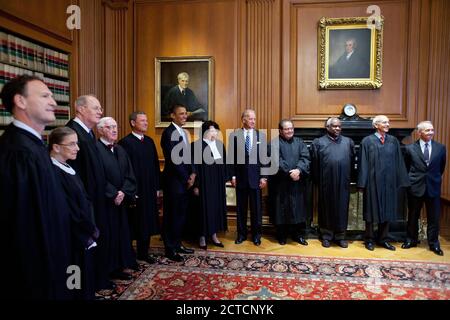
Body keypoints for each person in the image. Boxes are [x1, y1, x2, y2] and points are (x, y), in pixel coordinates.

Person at [0, 75, 72, 299]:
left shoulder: (33, 145)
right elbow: (23, 224)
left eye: (52, 95)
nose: (54, 102)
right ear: (20, 101)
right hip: (35, 269)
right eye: (44, 96)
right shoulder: (19, 152)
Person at [66, 95, 112, 290]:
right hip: (83, 203)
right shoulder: (72, 132)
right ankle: (83, 286)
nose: (100, 112)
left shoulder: (88, 133)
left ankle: (96, 280)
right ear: (81, 109)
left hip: (95, 199)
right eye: (96, 108)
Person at [49, 126, 99, 300]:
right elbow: (67, 208)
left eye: (77, 143)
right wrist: (85, 230)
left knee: (84, 270)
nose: (77, 148)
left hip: (82, 230)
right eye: (71, 144)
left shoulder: (67, 167)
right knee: (73, 272)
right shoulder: (53, 172)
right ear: (56, 147)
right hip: (71, 235)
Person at [357, 115, 410, 251]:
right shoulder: (367, 141)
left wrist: (401, 181)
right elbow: (363, 163)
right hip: (372, 183)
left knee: (387, 210)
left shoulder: (393, 141)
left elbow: (399, 162)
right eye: (384, 122)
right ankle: (369, 239)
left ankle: (383, 239)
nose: (387, 124)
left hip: (389, 182)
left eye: (388, 122)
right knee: (370, 212)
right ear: (376, 125)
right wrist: (362, 184)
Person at [97, 117, 138, 280]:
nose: (114, 130)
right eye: (109, 127)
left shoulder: (120, 150)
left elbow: (130, 174)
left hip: (121, 202)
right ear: (100, 130)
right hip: (106, 202)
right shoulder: (95, 150)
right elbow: (97, 177)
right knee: (108, 236)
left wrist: (123, 192)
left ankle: (119, 265)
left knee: (121, 234)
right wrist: (113, 193)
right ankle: (108, 269)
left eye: (115, 126)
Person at [118, 111, 161, 264]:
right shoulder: (125, 143)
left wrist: (157, 188)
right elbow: (123, 170)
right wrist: (130, 190)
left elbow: (156, 166)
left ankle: (144, 253)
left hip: (149, 190)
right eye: (142, 120)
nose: (146, 123)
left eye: (147, 120)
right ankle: (129, 254)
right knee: (133, 223)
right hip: (135, 191)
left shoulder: (149, 141)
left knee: (147, 222)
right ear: (133, 123)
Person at [402, 121, 446, 256]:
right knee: (413, 216)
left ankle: (434, 244)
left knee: (434, 218)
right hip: (415, 187)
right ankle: (411, 240)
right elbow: (406, 167)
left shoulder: (440, 148)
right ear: (419, 132)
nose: (431, 133)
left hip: (433, 187)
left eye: (432, 130)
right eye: (427, 130)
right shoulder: (410, 148)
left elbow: (441, 167)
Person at [311, 118, 355, 248]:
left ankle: (341, 236)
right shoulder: (319, 143)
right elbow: (314, 164)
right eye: (334, 126)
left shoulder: (348, 142)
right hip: (326, 183)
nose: (337, 129)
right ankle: (326, 235)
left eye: (339, 126)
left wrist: (349, 179)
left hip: (343, 182)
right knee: (326, 208)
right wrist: (318, 181)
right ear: (327, 127)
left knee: (342, 208)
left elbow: (352, 162)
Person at [160, 104, 196, 261]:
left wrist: (193, 173)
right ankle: (170, 249)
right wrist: (185, 178)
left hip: (185, 181)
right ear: (172, 116)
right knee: (172, 215)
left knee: (181, 215)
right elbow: (174, 160)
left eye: (185, 113)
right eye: (181, 114)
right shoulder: (168, 133)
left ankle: (178, 244)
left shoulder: (184, 132)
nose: (184, 116)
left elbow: (188, 156)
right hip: (174, 182)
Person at [228, 109, 268, 246]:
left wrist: (264, 177)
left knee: (256, 209)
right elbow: (231, 158)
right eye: (250, 119)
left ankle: (256, 235)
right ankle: (241, 234)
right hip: (240, 178)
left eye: (254, 119)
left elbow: (264, 158)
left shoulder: (261, 136)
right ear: (243, 119)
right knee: (241, 209)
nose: (253, 121)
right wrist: (232, 175)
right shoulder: (234, 136)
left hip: (256, 179)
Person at [269, 119, 310, 246]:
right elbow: (276, 160)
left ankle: (298, 235)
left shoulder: (300, 142)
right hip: (281, 182)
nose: (290, 131)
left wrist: (298, 170)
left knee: (297, 209)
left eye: (291, 128)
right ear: (280, 131)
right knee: (282, 210)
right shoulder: (273, 143)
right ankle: (281, 235)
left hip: (297, 182)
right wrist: (289, 172)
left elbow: (306, 158)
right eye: (286, 129)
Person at [190, 121, 228, 249]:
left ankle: (213, 235)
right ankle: (202, 237)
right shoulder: (195, 146)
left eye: (216, 130)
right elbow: (193, 168)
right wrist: (196, 185)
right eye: (212, 130)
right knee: (202, 209)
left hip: (217, 184)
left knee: (215, 209)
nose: (215, 133)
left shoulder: (219, 145)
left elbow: (224, 165)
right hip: (203, 184)